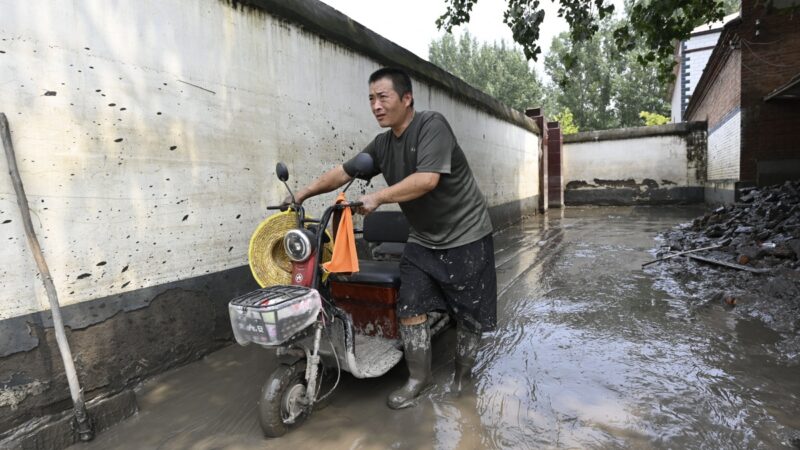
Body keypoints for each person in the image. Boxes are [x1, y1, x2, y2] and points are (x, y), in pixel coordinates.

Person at [288, 67, 497, 409]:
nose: (376, 105)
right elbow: (345, 171)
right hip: (423, 239)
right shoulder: (382, 145)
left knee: (469, 316)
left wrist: (379, 197)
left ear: (406, 98)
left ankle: (463, 376)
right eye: (371, 99)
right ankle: (418, 379)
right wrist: (302, 193)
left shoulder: (432, 126)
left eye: (383, 97)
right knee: (410, 306)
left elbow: (427, 179)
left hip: (466, 235)